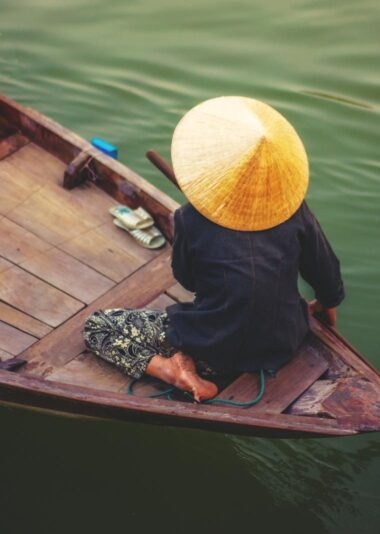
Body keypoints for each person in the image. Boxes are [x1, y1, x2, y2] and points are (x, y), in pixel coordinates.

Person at [83, 96, 345, 402]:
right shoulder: (295, 212)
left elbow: (187, 279)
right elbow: (327, 276)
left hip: (212, 347)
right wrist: (326, 318)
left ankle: (171, 370)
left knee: (98, 327)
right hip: (285, 341)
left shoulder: (189, 218)